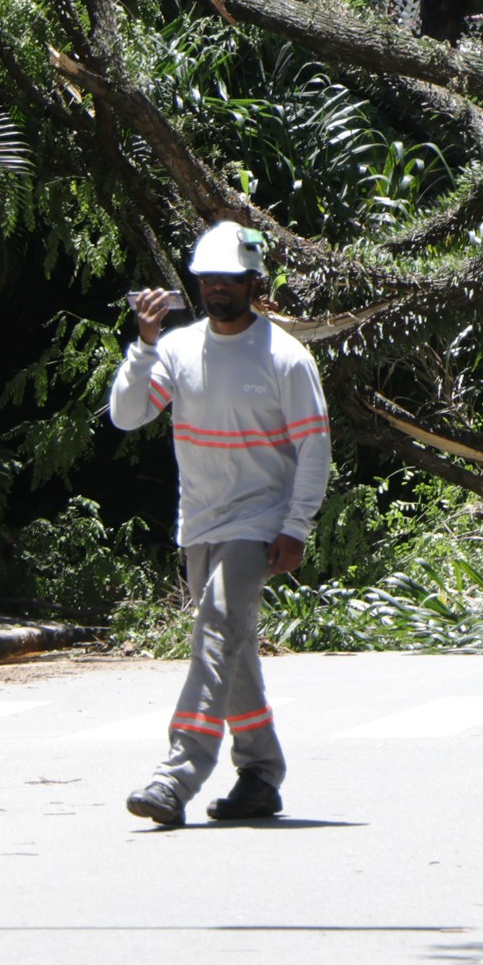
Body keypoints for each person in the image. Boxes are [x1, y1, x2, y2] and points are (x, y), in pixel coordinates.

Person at [107, 222, 329, 827]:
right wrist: (145, 344)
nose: (217, 289)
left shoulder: (285, 357)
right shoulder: (178, 349)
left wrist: (296, 526)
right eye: (208, 279)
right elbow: (127, 415)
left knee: (214, 632)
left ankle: (176, 775)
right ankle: (260, 773)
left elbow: (314, 449)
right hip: (200, 522)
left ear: (255, 284)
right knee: (232, 646)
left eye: (230, 279)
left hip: (259, 523)